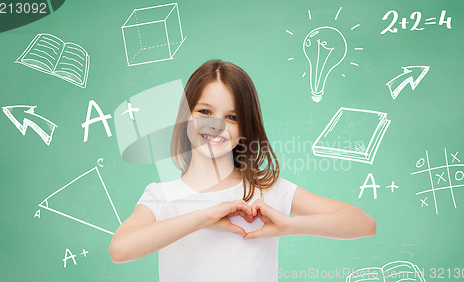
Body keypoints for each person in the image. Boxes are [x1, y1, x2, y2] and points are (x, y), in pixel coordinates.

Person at [109, 60, 376, 282]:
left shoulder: (268, 189)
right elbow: (120, 250)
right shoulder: (161, 196)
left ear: (246, 127)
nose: (217, 125)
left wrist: (291, 225)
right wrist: (203, 217)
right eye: (205, 111)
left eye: (232, 117)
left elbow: (364, 224)